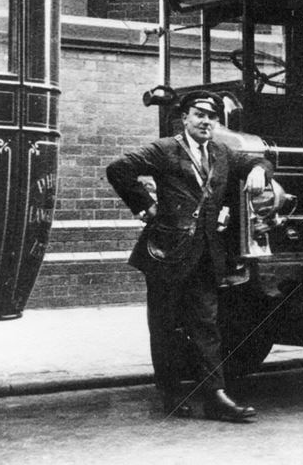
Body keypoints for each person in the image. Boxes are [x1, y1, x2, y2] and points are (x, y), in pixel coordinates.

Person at [106, 90, 273, 421]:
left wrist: (259, 170)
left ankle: (215, 397)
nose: (206, 121)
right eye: (199, 115)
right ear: (185, 119)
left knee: (206, 326)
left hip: (205, 256)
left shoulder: (222, 153)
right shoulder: (165, 149)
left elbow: (261, 159)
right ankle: (170, 394)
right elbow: (118, 169)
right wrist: (146, 207)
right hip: (166, 254)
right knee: (165, 326)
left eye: (212, 116)